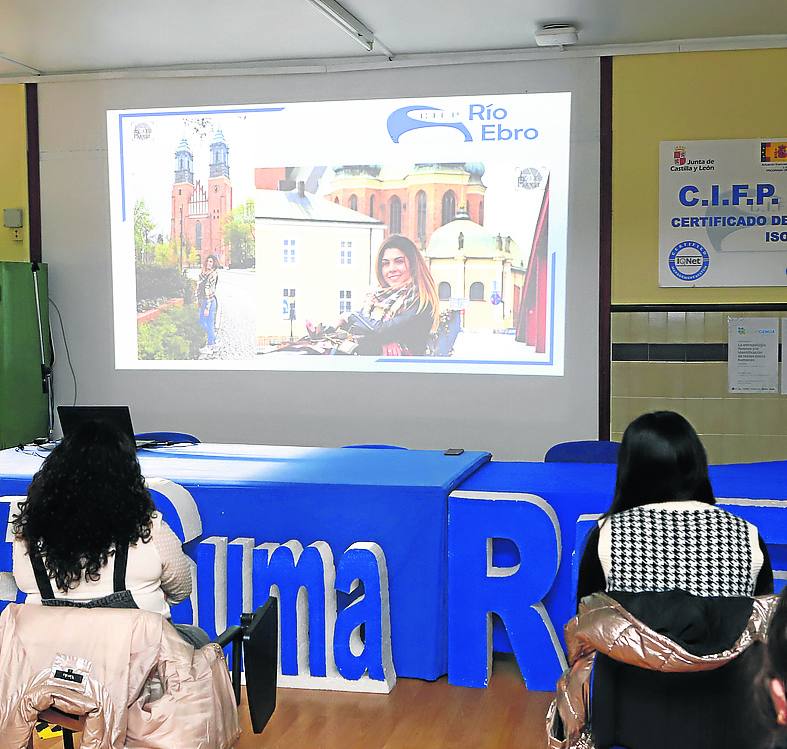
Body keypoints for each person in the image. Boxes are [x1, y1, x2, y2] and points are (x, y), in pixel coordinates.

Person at [11, 419, 209, 648]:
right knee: (198, 639)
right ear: (127, 478)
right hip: (139, 671)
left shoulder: (29, 534)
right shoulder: (150, 529)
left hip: (51, 668)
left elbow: (24, 583)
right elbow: (181, 589)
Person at [576, 410, 773, 604]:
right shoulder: (746, 534)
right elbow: (763, 622)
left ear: (629, 470)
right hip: (728, 637)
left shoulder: (608, 534)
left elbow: (586, 621)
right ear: (697, 462)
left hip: (629, 637)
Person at [302, 235, 440, 356]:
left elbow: (379, 330)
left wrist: (349, 316)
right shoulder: (375, 301)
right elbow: (358, 334)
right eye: (385, 264)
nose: (391, 269)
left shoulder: (420, 301)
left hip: (404, 378)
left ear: (413, 265)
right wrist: (323, 331)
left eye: (399, 261)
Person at [197, 253, 219, 353]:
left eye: (211, 262)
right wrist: (198, 300)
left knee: (208, 323)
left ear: (214, 263)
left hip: (210, 301)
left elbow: (210, 291)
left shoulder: (213, 274)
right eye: (208, 261)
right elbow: (199, 287)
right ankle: (213, 340)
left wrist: (207, 307)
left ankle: (210, 345)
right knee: (201, 321)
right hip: (203, 300)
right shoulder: (203, 273)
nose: (209, 263)